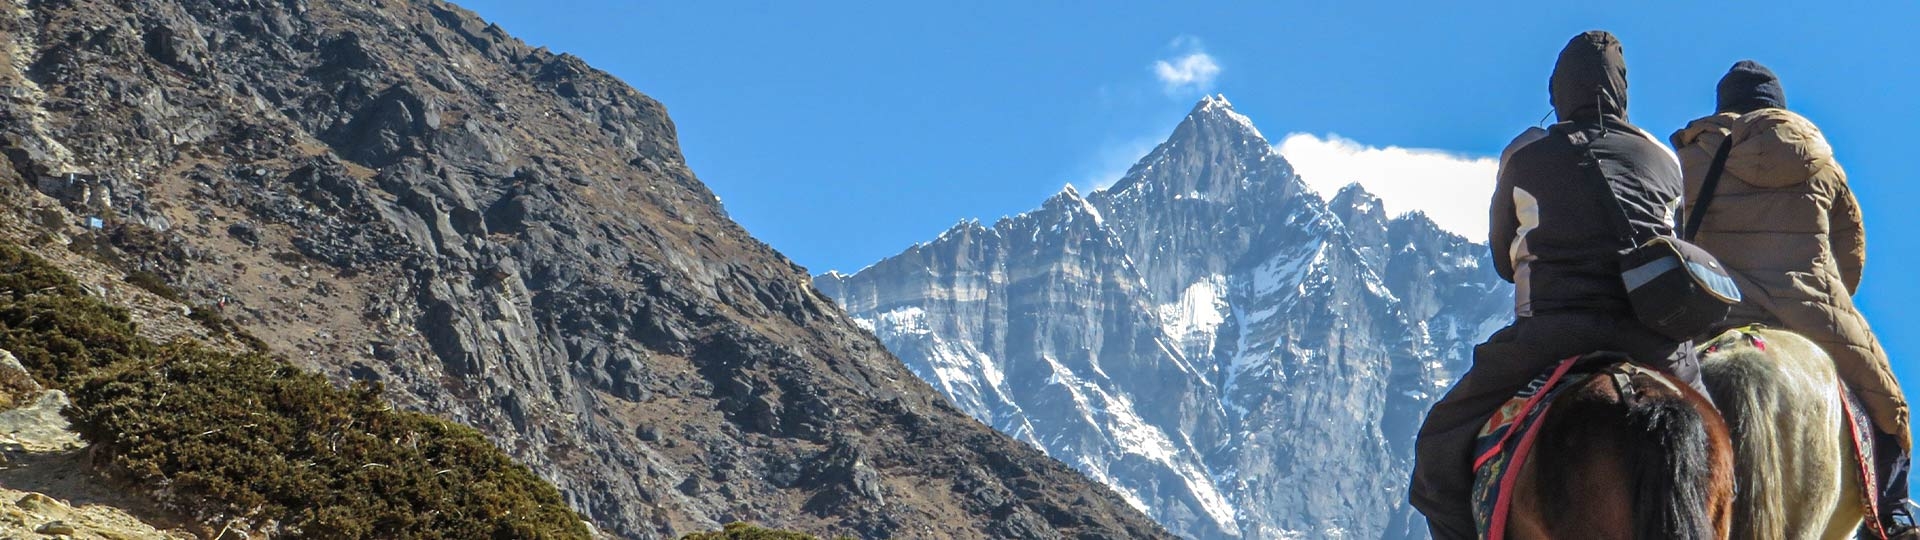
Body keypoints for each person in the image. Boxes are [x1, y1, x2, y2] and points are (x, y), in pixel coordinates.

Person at [1407, 30, 1704, 539]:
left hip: (1553, 334)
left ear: (1558, 91)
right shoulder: (1662, 158)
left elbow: (1504, 259)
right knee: (1726, 451)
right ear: (1622, 89)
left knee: (1438, 448)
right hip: (1652, 339)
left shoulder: (1525, 155)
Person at [1670, 60, 1914, 537]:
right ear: (1776, 106)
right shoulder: (1819, 158)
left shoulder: (1688, 157)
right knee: (1891, 409)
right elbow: (1851, 250)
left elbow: (1673, 236)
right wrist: (1824, 295)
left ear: (1725, 106)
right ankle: (1893, 515)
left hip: (1712, 313)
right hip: (1809, 309)